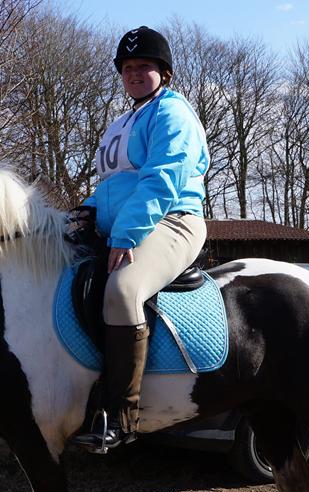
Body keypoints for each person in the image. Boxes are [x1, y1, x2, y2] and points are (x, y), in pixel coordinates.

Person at [66, 26, 210, 451]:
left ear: (163, 72)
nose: (133, 73)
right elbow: (112, 182)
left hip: (172, 220)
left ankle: (120, 415)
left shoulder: (173, 114)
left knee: (124, 289)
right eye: (127, 67)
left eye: (143, 66)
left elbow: (161, 180)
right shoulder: (122, 122)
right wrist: (87, 210)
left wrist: (125, 234)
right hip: (122, 227)